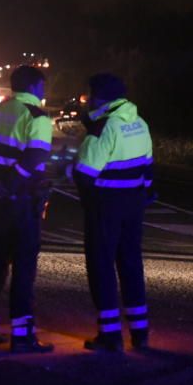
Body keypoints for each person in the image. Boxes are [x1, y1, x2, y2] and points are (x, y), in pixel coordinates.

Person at [0, 65, 54, 353]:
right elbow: (35, 156)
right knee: (23, 269)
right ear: (33, 87)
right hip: (23, 202)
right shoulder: (37, 117)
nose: (44, 91)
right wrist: (11, 184)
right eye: (42, 86)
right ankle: (23, 336)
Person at [71, 73, 154, 352]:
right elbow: (148, 170)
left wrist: (71, 168)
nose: (88, 101)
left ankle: (110, 335)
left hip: (105, 206)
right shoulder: (139, 123)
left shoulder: (104, 127)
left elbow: (85, 173)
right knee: (131, 265)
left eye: (90, 95)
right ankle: (140, 333)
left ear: (99, 98)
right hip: (134, 204)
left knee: (102, 267)